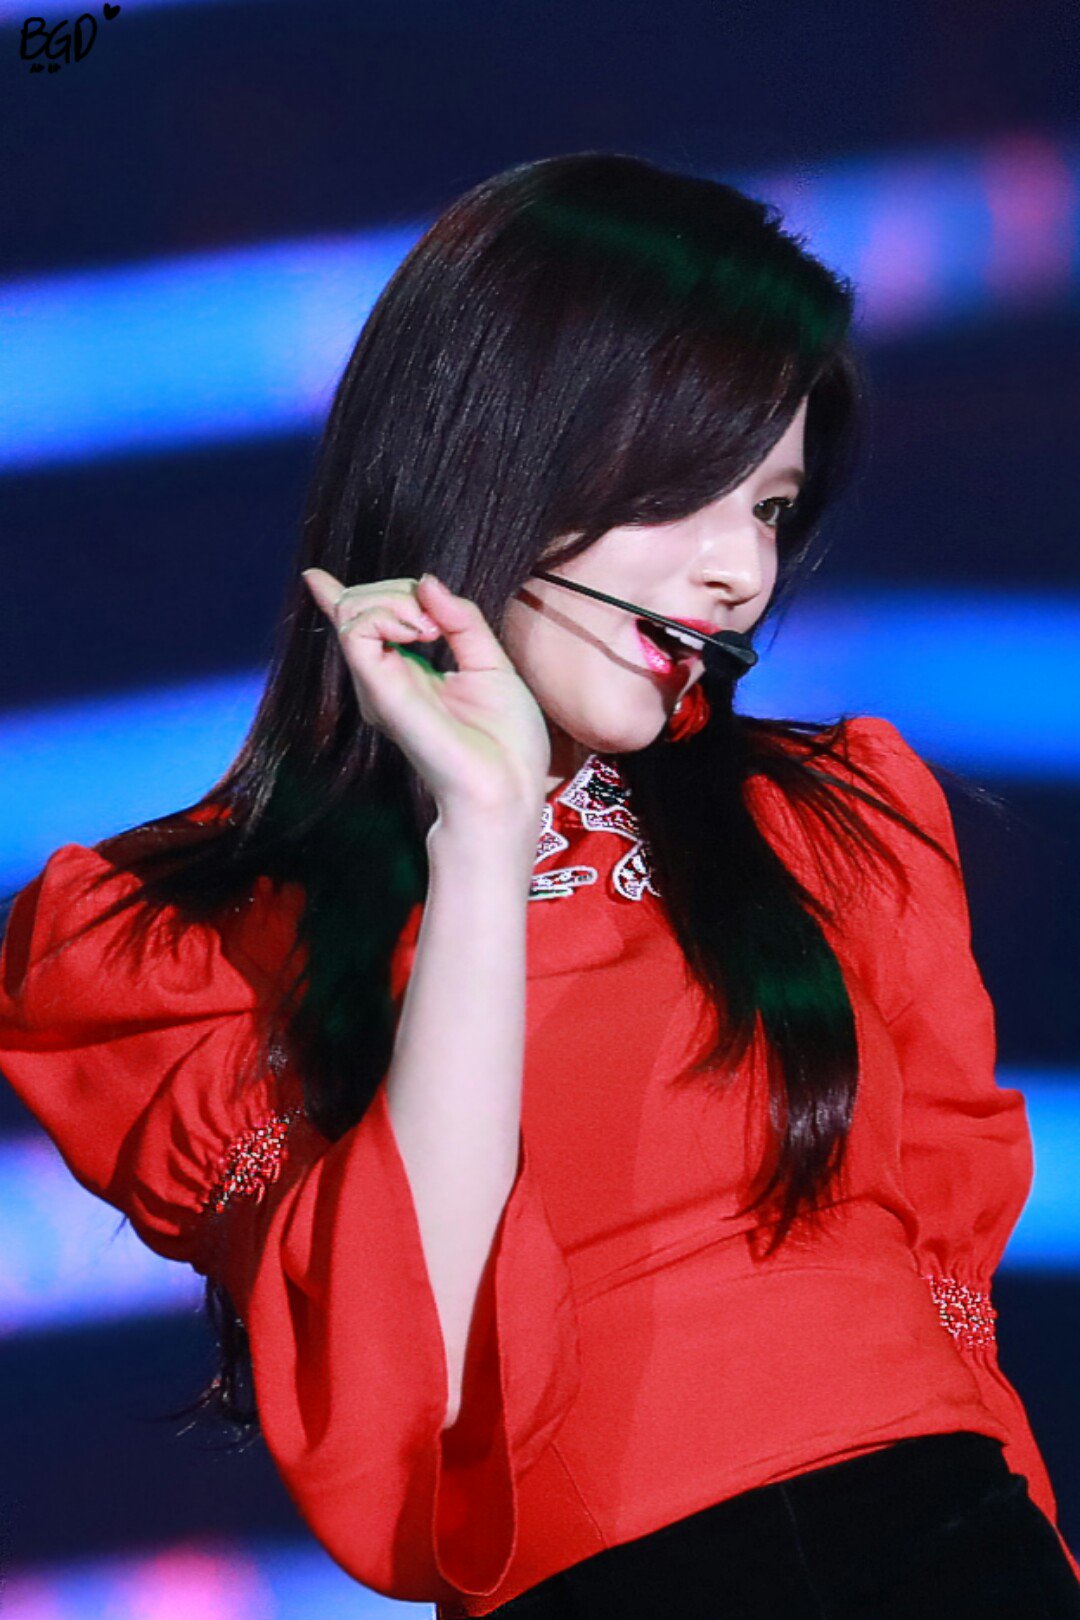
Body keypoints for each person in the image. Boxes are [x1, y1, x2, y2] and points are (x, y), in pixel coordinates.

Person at [1, 153, 1078, 1619]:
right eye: (688, 491)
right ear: (495, 452)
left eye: (770, 508)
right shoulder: (186, 942)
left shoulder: (832, 821)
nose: (739, 572)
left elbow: (955, 1317)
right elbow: (414, 1382)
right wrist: (484, 832)